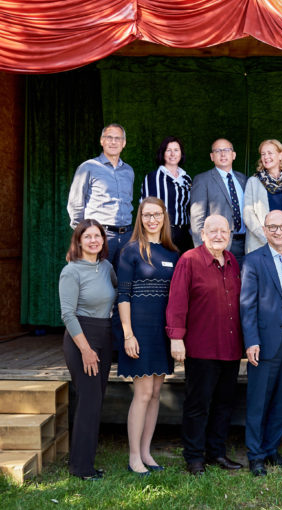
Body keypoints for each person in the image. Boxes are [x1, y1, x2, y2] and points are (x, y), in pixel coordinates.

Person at [166, 215, 244, 476]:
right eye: (213, 231)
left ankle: (216, 453)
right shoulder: (189, 260)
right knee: (198, 404)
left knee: (224, 403)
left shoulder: (232, 261)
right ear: (202, 233)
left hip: (230, 347)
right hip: (201, 347)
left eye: (224, 231)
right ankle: (194, 457)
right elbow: (177, 301)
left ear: (230, 234)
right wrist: (176, 338)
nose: (219, 235)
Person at [117, 197, 180, 475]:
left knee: (155, 393)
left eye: (157, 215)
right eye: (146, 215)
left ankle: (146, 453)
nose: (152, 219)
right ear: (140, 219)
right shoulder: (130, 251)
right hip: (139, 331)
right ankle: (133, 458)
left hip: (162, 332)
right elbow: (123, 296)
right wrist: (128, 334)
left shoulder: (172, 253)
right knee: (142, 394)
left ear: (164, 217)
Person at [240, 210, 282, 476]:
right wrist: (251, 341)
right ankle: (255, 455)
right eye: (273, 227)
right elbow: (247, 305)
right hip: (265, 341)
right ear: (265, 231)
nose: (279, 231)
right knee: (259, 400)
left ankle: (271, 450)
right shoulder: (254, 261)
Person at [59, 219, 117, 480]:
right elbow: (68, 315)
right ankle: (81, 468)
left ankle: (85, 462)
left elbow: (116, 293)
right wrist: (85, 349)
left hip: (104, 335)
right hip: (81, 337)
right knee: (88, 402)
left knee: (95, 400)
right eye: (88, 236)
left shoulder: (106, 267)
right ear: (79, 241)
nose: (94, 240)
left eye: (98, 236)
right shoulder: (71, 271)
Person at [67, 123, 134, 262]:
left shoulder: (129, 171)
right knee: (98, 280)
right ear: (101, 141)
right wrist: (85, 233)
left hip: (127, 236)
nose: (113, 142)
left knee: (123, 282)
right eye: (109, 137)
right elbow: (75, 204)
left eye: (118, 138)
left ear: (124, 143)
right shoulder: (88, 167)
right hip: (100, 235)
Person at [190, 139, 248, 262]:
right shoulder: (202, 180)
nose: (223, 154)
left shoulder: (244, 179)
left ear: (234, 155)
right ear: (212, 156)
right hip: (217, 245)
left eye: (227, 150)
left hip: (245, 244)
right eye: (218, 151)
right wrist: (203, 252)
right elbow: (197, 219)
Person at [243, 139, 282, 253]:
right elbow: (248, 214)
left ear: (281, 155)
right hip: (258, 246)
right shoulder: (253, 182)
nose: (266, 157)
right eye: (263, 154)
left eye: (270, 153)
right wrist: (268, 238)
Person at [140, 136, 193, 252]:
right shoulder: (153, 178)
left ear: (181, 153)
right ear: (163, 153)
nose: (172, 154)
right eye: (168, 150)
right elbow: (148, 210)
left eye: (176, 150)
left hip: (184, 234)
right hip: (163, 233)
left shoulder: (186, 179)